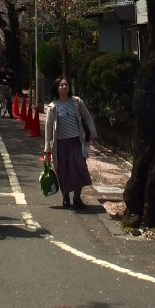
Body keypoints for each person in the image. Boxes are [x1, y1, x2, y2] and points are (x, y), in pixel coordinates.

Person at [43, 77, 97, 209]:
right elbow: (48, 129)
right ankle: (66, 197)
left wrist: (93, 134)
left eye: (66, 84)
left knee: (79, 168)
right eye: (61, 85)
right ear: (56, 88)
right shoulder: (53, 107)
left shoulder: (77, 102)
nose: (64, 87)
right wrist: (47, 149)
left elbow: (87, 117)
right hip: (60, 144)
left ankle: (77, 198)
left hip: (76, 141)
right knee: (63, 171)